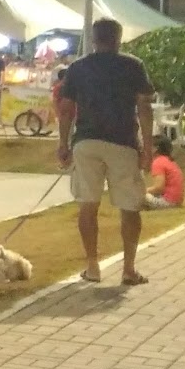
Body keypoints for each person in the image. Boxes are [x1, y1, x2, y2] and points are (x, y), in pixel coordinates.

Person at [56, 18, 156, 286]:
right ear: (119, 38)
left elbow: (66, 108)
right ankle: (129, 269)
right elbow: (144, 108)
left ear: (93, 38)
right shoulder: (133, 65)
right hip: (122, 141)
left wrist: (63, 143)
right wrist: (148, 147)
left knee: (88, 205)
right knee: (130, 207)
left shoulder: (78, 67)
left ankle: (92, 267)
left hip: (86, 141)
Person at [143, 137, 184, 209]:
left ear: (156, 148)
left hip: (167, 201)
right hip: (177, 201)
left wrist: (144, 191)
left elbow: (159, 188)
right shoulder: (170, 161)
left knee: (136, 195)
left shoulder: (158, 162)